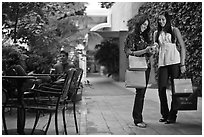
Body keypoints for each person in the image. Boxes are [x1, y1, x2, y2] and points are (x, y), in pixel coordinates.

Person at [153, 11, 186, 124]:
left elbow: (182, 47)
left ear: (167, 19)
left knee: (175, 90)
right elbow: (156, 48)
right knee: (161, 89)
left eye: (163, 19)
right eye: (159, 20)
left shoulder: (174, 30)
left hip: (175, 62)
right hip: (162, 63)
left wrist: (182, 63)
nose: (161, 21)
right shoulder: (156, 33)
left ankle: (172, 115)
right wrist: (155, 47)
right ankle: (165, 114)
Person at [124, 14, 155, 128]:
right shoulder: (132, 36)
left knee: (142, 93)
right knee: (140, 93)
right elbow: (128, 52)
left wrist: (152, 50)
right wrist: (144, 50)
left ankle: (138, 118)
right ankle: (137, 119)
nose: (145, 27)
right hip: (137, 67)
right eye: (143, 25)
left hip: (146, 66)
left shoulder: (146, 36)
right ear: (139, 24)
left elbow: (149, 52)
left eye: (147, 25)